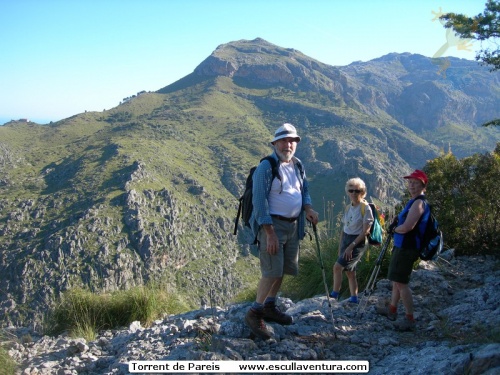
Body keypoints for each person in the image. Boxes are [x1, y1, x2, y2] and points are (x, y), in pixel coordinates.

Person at [245, 123, 319, 340]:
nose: (288, 145)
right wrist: (269, 232)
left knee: (284, 268)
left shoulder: (297, 165)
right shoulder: (266, 167)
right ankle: (253, 312)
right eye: (284, 140)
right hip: (272, 226)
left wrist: (308, 208)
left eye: (292, 141)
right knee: (271, 270)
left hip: (293, 225)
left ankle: (269, 305)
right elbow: (259, 201)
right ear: (275, 143)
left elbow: (304, 190)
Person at [377, 169, 430, 331]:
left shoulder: (419, 203)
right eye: (410, 182)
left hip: (407, 248)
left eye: (415, 183)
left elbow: (408, 227)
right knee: (397, 281)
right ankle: (392, 309)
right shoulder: (412, 201)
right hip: (402, 246)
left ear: (423, 185)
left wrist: (394, 229)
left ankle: (409, 318)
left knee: (401, 283)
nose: (411, 185)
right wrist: (396, 221)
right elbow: (404, 222)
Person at [330, 178, 374, 304]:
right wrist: (341, 247)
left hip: (357, 241)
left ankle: (334, 295)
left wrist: (351, 246)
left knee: (337, 267)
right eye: (351, 190)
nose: (354, 193)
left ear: (362, 192)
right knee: (350, 272)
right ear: (348, 192)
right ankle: (354, 298)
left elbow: (366, 231)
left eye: (357, 190)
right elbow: (344, 229)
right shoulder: (348, 207)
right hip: (346, 239)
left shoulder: (365, 208)